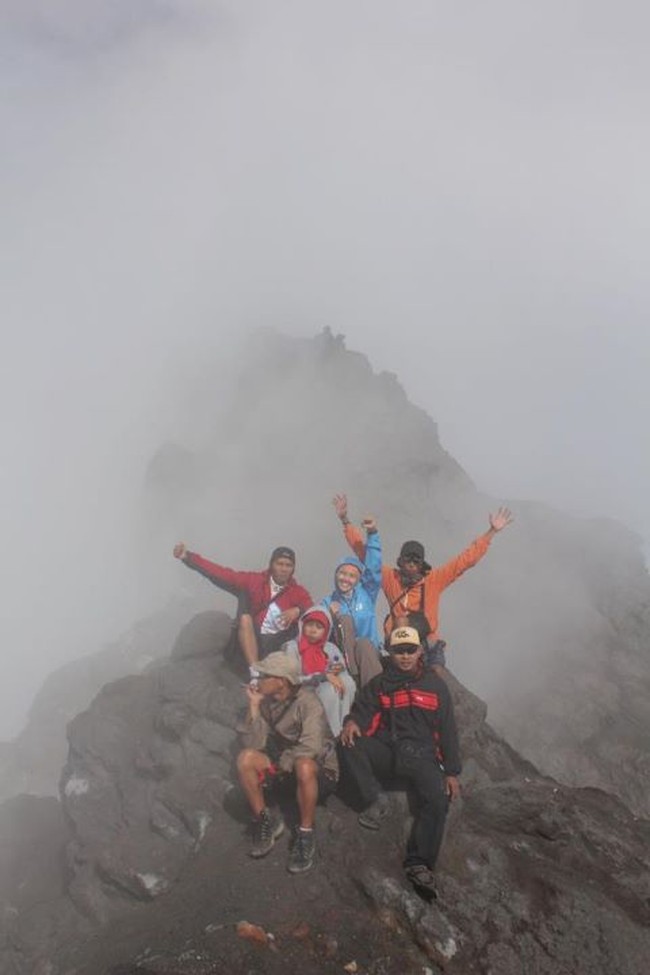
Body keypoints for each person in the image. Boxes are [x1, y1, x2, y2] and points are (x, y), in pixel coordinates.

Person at [340, 626, 460, 898]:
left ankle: (419, 863)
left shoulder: (435, 686)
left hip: (422, 758)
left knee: (438, 801)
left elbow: (448, 731)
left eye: (410, 650)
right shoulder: (380, 684)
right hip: (388, 752)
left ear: (420, 651)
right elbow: (363, 710)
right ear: (390, 652)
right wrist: (352, 722)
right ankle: (374, 798)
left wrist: (451, 772)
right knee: (348, 743)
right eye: (398, 650)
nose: (405, 656)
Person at [333, 493, 513, 672]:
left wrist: (492, 532)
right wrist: (345, 520)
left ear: (422, 565)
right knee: (401, 620)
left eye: (416, 561)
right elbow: (364, 553)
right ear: (400, 561)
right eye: (407, 560)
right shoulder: (390, 578)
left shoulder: (434, 580)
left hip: (427, 641)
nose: (411, 564)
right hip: (398, 641)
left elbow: (464, 561)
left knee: (437, 673)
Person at [236, 651, 339, 874]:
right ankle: (265, 820)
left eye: (264, 676)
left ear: (281, 681)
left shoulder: (308, 702)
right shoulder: (267, 703)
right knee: (245, 759)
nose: (258, 680)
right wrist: (254, 706)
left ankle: (305, 833)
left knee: (303, 764)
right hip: (286, 768)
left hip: (318, 771)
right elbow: (253, 742)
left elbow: (311, 747)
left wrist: (281, 764)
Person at [173, 542, 312, 672]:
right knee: (244, 600)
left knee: (300, 629)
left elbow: (313, 611)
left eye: (288, 565)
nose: (283, 569)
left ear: (293, 568)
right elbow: (221, 574)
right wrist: (188, 557)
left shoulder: (298, 592)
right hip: (251, 637)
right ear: (271, 565)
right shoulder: (254, 581)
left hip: (277, 643)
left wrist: (298, 610)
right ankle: (254, 671)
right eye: (279, 564)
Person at [321, 512, 384, 687]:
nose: (345, 579)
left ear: (358, 580)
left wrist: (373, 534)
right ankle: (354, 679)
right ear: (335, 575)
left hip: (368, 654)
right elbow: (317, 634)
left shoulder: (367, 593)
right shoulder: (327, 603)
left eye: (351, 575)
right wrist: (330, 617)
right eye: (342, 573)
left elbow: (374, 567)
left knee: (363, 643)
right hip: (342, 659)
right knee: (344, 620)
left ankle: (374, 694)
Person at [283, 605, 357, 736]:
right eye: (310, 625)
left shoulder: (330, 648)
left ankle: (343, 724)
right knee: (328, 690)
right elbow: (291, 679)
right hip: (303, 690)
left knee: (347, 682)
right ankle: (333, 734)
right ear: (302, 624)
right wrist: (322, 676)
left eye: (319, 627)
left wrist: (338, 670)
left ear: (326, 630)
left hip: (328, 687)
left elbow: (340, 667)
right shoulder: (292, 647)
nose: (313, 630)